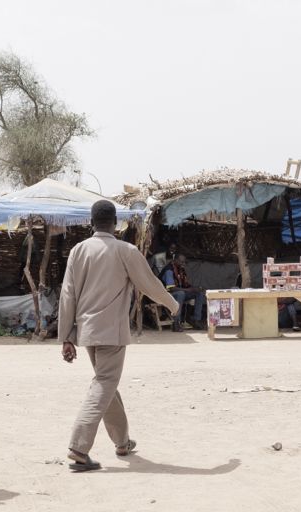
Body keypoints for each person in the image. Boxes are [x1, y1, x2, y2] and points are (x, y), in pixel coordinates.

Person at [57, 200, 179, 472]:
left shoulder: (78, 251)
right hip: (111, 331)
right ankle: (78, 447)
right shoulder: (125, 250)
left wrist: (66, 336)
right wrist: (173, 305)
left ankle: (122, 442)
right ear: (116, 223)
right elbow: (150, 285)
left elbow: (67, 295)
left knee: (106, 384)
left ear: (91, 222)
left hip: (87, 332)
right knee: (104, 383)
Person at [160, 252, 205, 332]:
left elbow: (185, 284)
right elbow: (171, 288)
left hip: (180, 293)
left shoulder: (181, 269)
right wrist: (188, 290)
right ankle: (176, 322)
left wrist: (194, 288)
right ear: (175, 260)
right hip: (166, 295)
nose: (183, 263)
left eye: (184, 262)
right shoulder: (169, 270)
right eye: (181, 262)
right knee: (181, 294)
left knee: (199, 293)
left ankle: (196, 320)